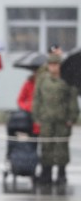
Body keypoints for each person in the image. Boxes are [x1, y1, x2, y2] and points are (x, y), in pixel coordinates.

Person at [33, 53, 79, 185]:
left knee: (61, 148)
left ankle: (61, 173)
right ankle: (46, 173)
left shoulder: (67, 79)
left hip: (62, 119)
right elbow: (37, 98)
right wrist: (36, 116)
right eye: (51, 64)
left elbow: (72, 100)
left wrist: (72, 117)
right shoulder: (42, 79)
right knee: (46, 146)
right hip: (46, 118)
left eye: (56, 64)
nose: (53, 67)